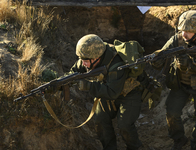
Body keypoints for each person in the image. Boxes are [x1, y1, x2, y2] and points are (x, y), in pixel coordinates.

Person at [63, 34, 147, 150]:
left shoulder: (116, 64)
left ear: (96, 58)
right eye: (81, 60)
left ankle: (134, 147)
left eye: (85, 61)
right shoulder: (89, 58)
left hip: (129, 94)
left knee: (124, 125)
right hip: (108, 90)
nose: (82, 63)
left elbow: (112, 93)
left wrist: (88, 86)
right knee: (100, 120)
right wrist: (58, 83)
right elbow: (73, 73)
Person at [152, 10, 196, 150]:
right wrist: (155, 59)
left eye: (188, 31)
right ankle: (179, 139)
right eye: (182, 30)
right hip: (181, 84)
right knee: (171, 112)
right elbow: (162, 53)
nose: (184, 34)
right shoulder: (177, 40)